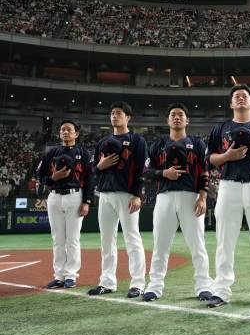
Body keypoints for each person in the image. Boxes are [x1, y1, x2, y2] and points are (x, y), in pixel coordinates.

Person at [205, 84, 250, 307]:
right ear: (231, 104)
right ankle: (221, 289)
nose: (240, 99)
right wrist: (227, 156)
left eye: (244, 96)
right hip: (228, 185)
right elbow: (209, 159)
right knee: (224, 240)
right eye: (236, 97)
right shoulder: (221, 128)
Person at [143, 103, 213, 302]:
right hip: (164, 197)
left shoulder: (197, 143)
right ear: (167, 120)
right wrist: (164, 173)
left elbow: (204, 171)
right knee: (160, 245)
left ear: (187, 121)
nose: (176, 117)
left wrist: (202, 197)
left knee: (197, 245)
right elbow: (146, 172)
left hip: (190, 197)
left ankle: (203, 286)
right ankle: (154, 287)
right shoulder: (157, 145)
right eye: (173, 115)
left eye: (180, 115)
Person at [88, 102, 147, 299]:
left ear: (128, 117)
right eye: (112, 113)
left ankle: (138, 283)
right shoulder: (102, 142)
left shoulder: (137, 140)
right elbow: (93, 171)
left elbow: (142, 169)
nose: (114, 116)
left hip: (127, 195)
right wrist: (100, 165)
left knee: (132, 238)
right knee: (106, 240)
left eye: (119, 113)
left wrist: (137, 194)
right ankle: (107, 282)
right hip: (104, 194)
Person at [38, 120, 94, 289]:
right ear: (59, 133)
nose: (65, 132)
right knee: (58, 239)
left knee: (73, 239)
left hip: (74, 196)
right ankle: (59, 275)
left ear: (76, 134)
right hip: (54, 196)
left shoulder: (83, 153)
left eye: (69, 129)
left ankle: (71, 275)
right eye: (62, 129)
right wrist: (52, 179)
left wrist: (87, 201)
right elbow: (40, 176)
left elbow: (90, 178)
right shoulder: (51, 152)